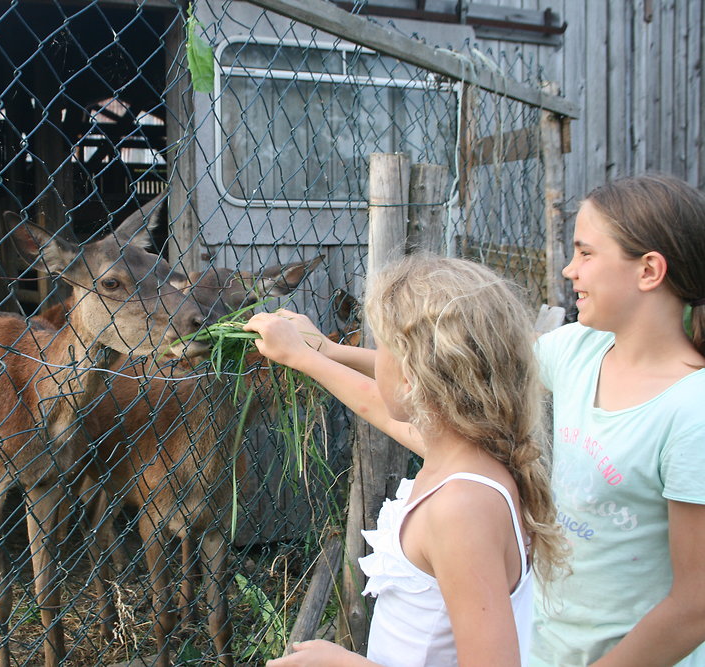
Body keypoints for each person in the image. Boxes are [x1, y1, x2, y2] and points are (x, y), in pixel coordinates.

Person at [246, 255, 568, 667]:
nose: (374, 356)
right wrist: (317, 354)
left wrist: (347, 664)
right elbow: (376, 406)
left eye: (382, 347)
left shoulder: (460, 508)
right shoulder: (473, 456)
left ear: (412, 376)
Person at [529, 174, 705, 666]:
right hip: (548, 649)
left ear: (649, 270)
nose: (570, 270)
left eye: (586, 253)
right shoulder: (579, 350)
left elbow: (695, 605)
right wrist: (332, 355)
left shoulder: (693, 412)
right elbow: (468, 373)